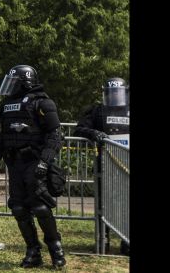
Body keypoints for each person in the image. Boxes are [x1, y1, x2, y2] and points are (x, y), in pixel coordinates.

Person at [0, 65, 66, 268]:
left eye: (14, 83)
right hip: (16, 164)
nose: (9, 87)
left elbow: (56, 135)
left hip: (35, 161)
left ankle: (56, 251)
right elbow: (3, 138)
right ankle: (33, 251)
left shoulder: (42, 103)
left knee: (40, 208)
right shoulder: (7, 105)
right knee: (19, 208)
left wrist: (45, 162)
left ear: (25, 82)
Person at [73, 77, 130, 255]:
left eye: (117, 92)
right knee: (103, 206)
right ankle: (102, 241)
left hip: (127, 165)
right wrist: (93, 133)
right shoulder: (97, 111)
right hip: (104, 166)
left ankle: (126, 243)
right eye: (110, 92)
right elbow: (79, 129)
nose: (114, 95)